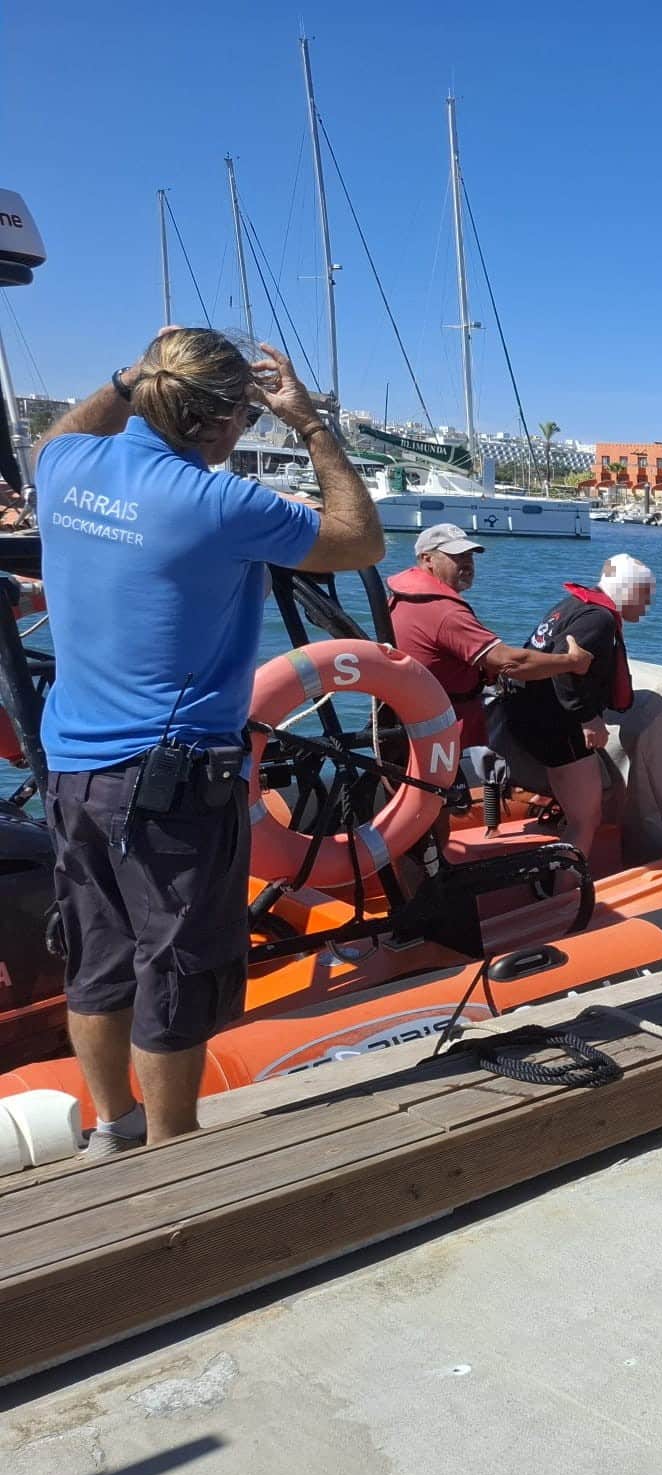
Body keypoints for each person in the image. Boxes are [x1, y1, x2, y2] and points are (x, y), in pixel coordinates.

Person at [32, 328, 382, 1156]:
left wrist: (127, 375)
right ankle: (174, 1153)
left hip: (74, 772)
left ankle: (113, 1131)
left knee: (99, 958)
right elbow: (359, 540)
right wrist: (309, 424)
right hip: (172, 784)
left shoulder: (66, 469)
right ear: (227, 421)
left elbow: (59, 434)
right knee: (178, 968)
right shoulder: (223, 503)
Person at [490, 553, 654, 857]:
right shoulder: (599, 619)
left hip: (526, 713)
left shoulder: (574, 605)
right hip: (555, 724)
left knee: (581, 803)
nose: (647, 606)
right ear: (627, 590)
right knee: (586, 818)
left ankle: (559, 864)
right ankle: (567, 893)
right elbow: (567, 667)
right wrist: (587, 718)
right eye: (645, 597)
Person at [386, 522, 591, 751]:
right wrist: (573, 662)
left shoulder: (403, 598)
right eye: (457, 556)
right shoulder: (444, 612)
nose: (467, 564)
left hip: (410, 720)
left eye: (469, 556)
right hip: (444, 734)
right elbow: (511, 662)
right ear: (427, 559)